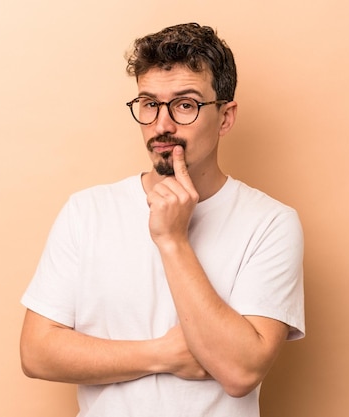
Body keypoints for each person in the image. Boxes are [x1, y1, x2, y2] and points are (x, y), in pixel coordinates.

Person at [19, 22, 305, 417]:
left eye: (185, 104)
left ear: (225, 116)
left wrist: (172, 240)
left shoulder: (270, 223)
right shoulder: (87, 211)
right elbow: (36, 353)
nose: (162, 125)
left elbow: (241, 371)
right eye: (149, 103)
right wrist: (162, 355)